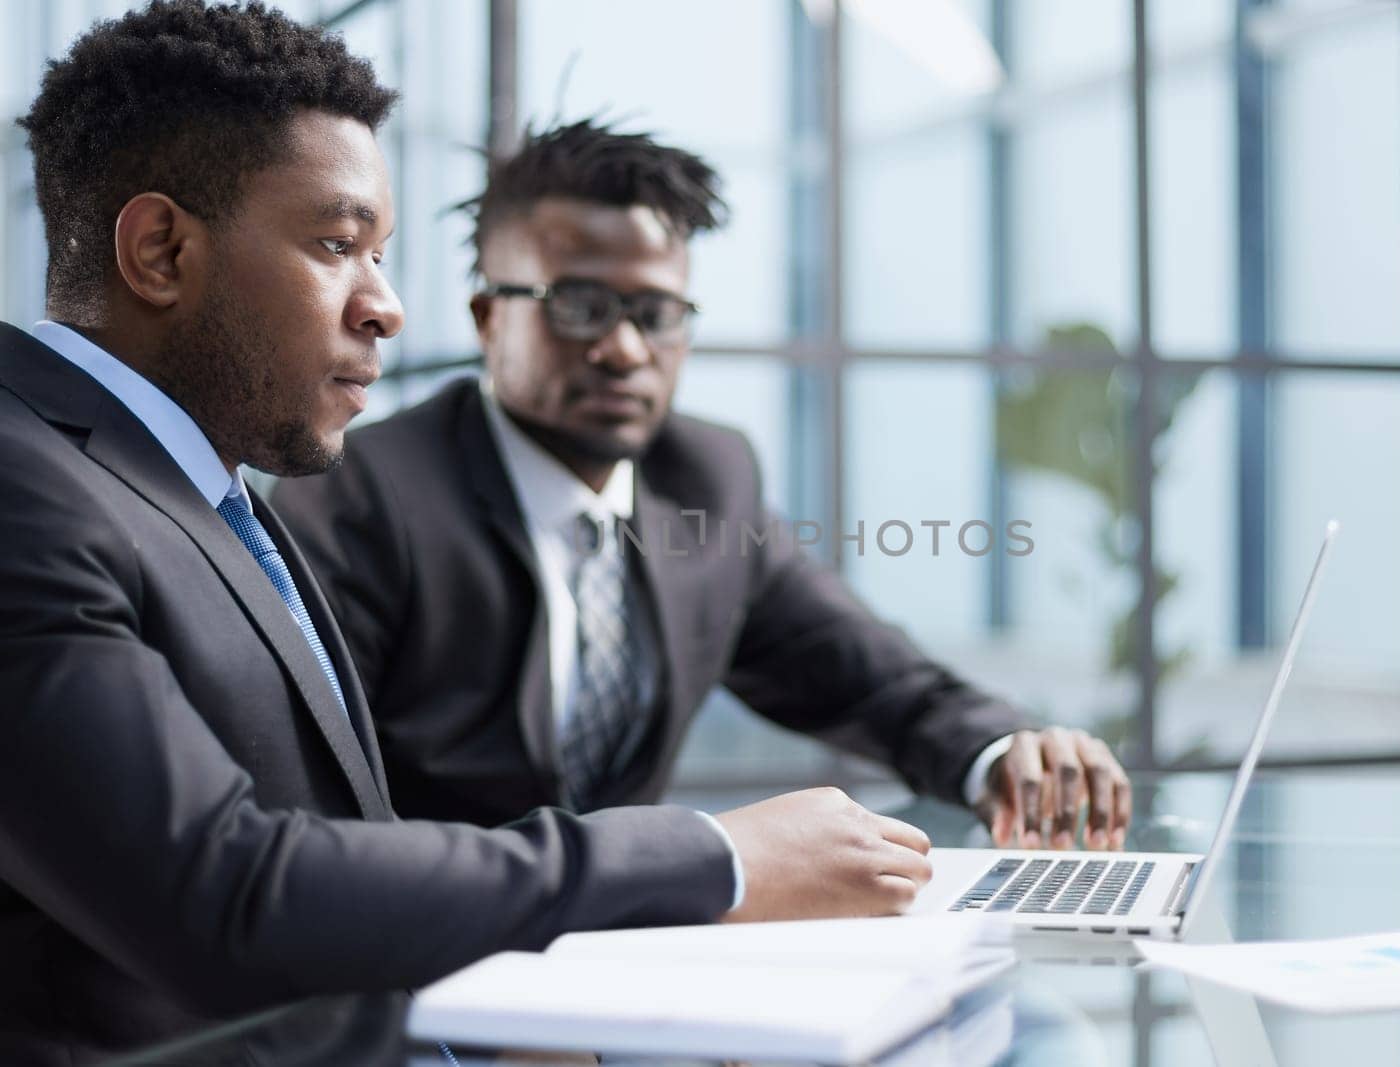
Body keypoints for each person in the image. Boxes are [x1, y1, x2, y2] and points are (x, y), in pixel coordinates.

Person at [0, 4, 929, 1059]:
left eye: (381, 254)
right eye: (338, 244)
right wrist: (711, 855)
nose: (387, 307)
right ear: (161, 249)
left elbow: (342, 855)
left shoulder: (207, 487)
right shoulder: (27, 486)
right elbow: (227, 892)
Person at [271, 119, 1133, 853]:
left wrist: (1004, 751)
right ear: (489, 317)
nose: (625, 350)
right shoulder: (358, 497)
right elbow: (319, 830)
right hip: (421, 982)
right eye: (578, 306)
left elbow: (870, 678)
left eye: (656, 313)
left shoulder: (708, 481)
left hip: (634, 970)